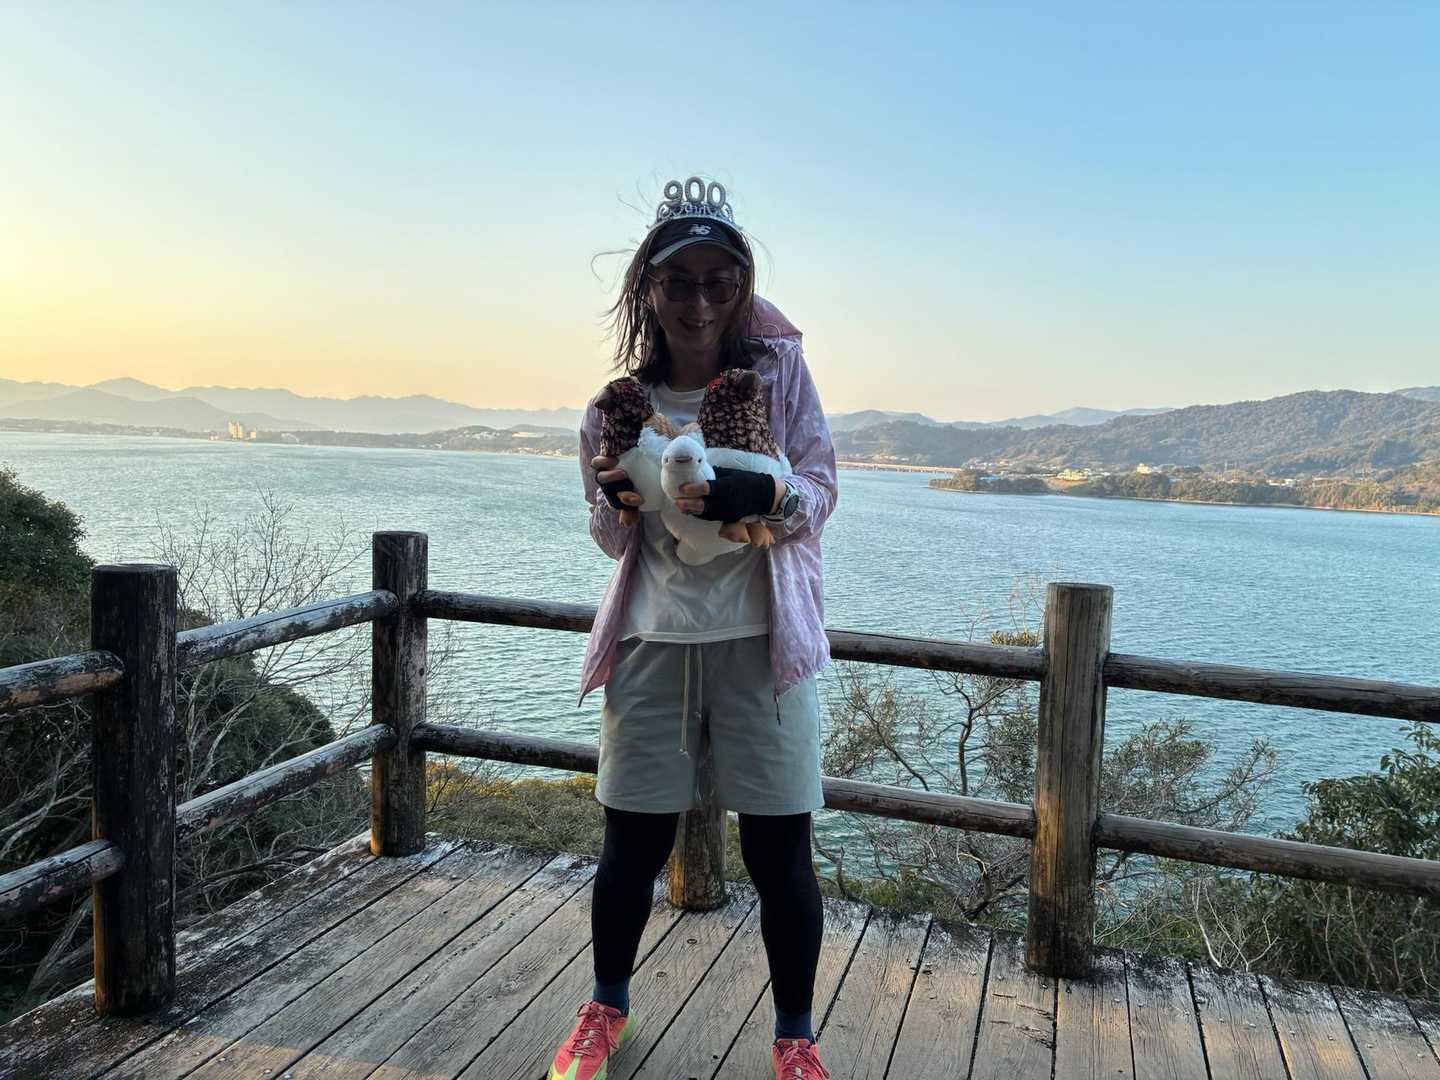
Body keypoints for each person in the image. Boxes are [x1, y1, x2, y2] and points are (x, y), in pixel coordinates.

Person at [549, 177, 837, 1080]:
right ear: (648, 289)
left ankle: (795, 1039)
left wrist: (769, 491)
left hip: (764, 645)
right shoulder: (612, 407)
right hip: (652, 642)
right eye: (680, 281)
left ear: (742, 289)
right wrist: (616, 500)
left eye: (720, 281)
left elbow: (822, 493)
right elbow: (610, 540)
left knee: (780, 852)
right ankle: (606, 1008)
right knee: (629, 846)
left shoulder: (778, 381)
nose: (700, 302)